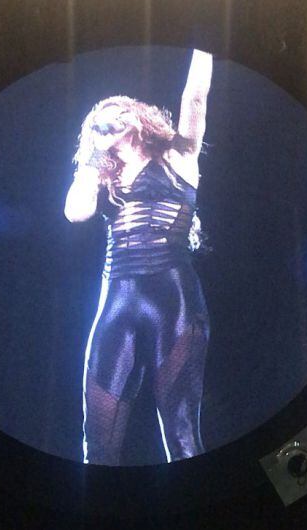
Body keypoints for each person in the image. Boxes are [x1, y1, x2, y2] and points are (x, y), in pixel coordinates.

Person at [65, 49, 213, 465]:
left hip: (172, 300)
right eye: (98, 120)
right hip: (117, 302)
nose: (105, 119)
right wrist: (93, 162)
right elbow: (76, 213)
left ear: (135, 118)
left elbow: (195, 96)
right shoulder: (102, 175)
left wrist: (207, 39)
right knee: (97, 445)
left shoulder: (178, 155)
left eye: (114, 112)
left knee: (181, 437)